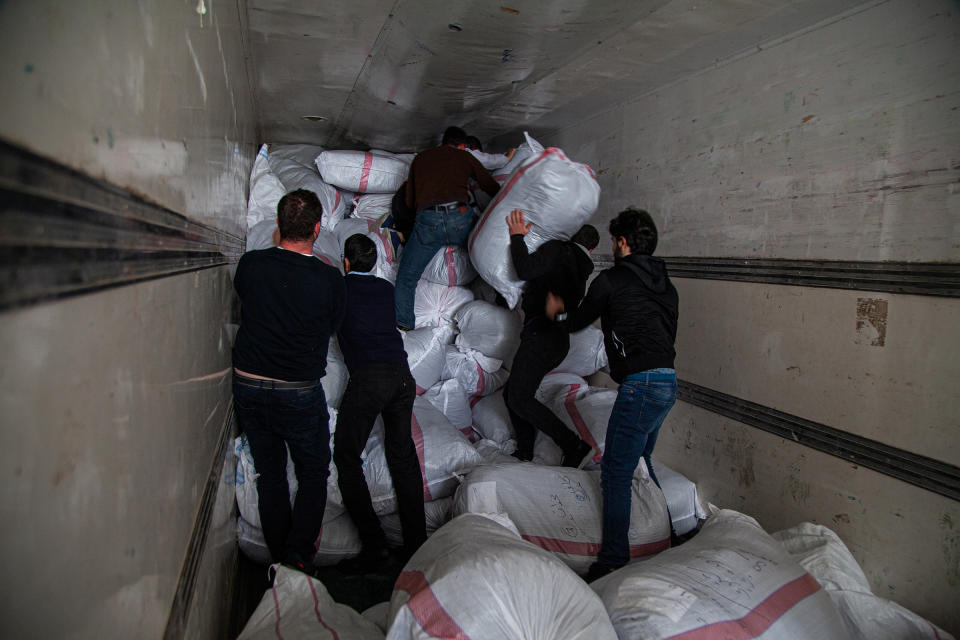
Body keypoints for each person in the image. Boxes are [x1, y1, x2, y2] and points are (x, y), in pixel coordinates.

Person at [545, 208, 679, 581]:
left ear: (621, 243)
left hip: (641, 385)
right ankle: (665, 532)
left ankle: (614, 558)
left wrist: (557, 313)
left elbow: (577, 321)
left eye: (614, 240)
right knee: (643, 461)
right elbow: (667, 333)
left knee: (617, 473)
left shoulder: (612, 280)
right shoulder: (667, 285)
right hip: (668, 381)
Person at [232, 189, 346, 573]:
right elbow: (331, 328)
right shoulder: (330, 280)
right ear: (317, 229)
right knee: (313, 472)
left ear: (277, 227)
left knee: (271, 474)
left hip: (248, 385)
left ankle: (279, 558)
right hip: (297, 391)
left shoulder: (251, 264)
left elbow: (246, 298)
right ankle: (296, 558)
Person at [333, 234, 427, 572]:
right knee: (402, 456)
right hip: (402, 377)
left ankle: (375, 545)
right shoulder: (386, 290)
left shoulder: (340, 289)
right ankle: (418, 545)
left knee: (346, 454)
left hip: (370, 380)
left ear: (346, 262)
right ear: (374, 264)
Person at [504, 208, 599, 466]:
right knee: (514, 394)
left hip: (541, 335)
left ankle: (574, 445)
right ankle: (525, 450)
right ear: (590, 251)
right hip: (556, 340)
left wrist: (516, 236)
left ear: (572, 237)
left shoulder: (559, 250)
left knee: (518, 397)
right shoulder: (582, 271)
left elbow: (524, 269)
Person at [394, 126, 500, 329]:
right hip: (460, 219)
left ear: (443, 141)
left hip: (428, 222)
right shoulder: (464, 157)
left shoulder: (420, 158)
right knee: (487, 256)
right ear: (462, 145)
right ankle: (500, 302)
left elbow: (409, 201)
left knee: (407, 276)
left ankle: (404, 324)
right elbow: (490, 186)